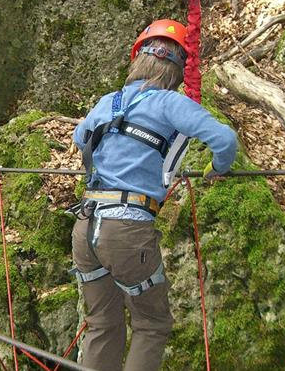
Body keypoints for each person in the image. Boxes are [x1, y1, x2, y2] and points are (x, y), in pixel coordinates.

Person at [69, 19, 238, 370]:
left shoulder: (108, 102)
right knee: (151, 324)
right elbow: (224, 140)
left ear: (138, 59)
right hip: (127, 231)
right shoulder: (170, 104)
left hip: (85, 226)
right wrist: (217, 168)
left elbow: (79, 139)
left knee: (103, 323)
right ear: (178, 71)